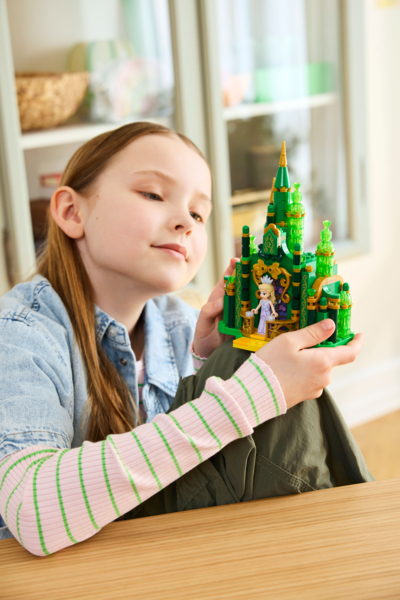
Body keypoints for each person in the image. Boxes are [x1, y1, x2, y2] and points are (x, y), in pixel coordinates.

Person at [0, 122, 368, 557]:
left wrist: (209, 366)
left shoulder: (184, 325)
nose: (185, 223)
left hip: (160, 551)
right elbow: (32, 511)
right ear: (71, 212)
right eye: (153, 195)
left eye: (198, 214)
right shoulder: (20, 334)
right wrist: (253, 393)